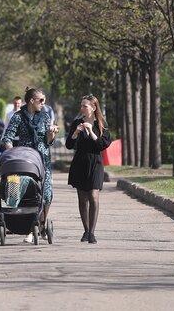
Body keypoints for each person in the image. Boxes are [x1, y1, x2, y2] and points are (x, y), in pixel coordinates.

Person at [1, 86, 59, 243]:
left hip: (42, 160)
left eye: (44, 100)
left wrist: (51, 134)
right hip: (24, 160)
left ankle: (41, 224)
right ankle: (27, 226)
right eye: (41, 100)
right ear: (31, 101)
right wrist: (12, 155)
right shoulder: (18, 117)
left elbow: (48, 141)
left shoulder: (46, 116)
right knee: (24, 193)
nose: (43, 103)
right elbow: (8, 137)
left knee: (46, 195)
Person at [66, 94, 113, 244]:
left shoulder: (101, 124)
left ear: (93, 108)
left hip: (95, 163)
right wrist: (76, 132)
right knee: (82, 198)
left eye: (85, 106)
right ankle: (85, 230)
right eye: (81, 106)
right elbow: (69, 145)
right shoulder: (76, 123)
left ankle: (92, 232)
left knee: (93, 196)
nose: (82, 108)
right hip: (80, 162)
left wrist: (91, 132)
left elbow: (102, 145)